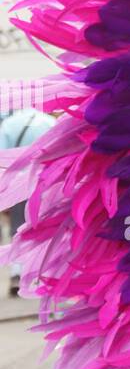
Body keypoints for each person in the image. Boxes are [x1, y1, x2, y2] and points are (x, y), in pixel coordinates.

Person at [0, 105, 56, 296]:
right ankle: (39, 272)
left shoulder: (8, 124)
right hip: (43, 184)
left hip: (16, 184)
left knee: (18, 229)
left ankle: (17, 274)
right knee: (41, 228)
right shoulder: (49, 122)